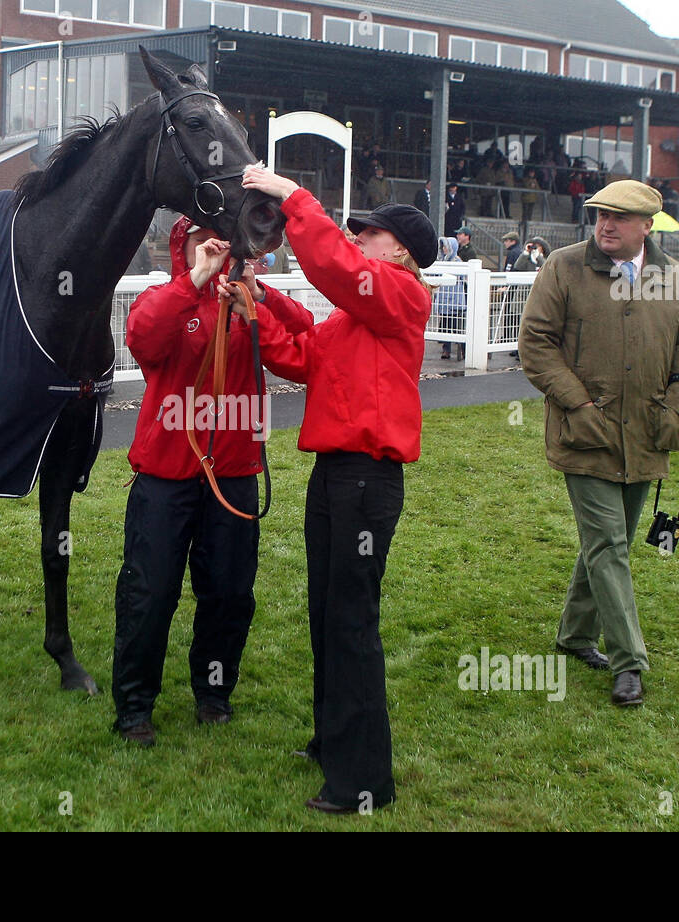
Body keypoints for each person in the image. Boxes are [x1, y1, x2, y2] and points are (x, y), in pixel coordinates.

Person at [239, 164, 436, 814]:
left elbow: (333, 267)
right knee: (328, 617)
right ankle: (333, 743)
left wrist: (290, 194)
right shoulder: (363, 315)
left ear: (400, 252)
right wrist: (261, 302)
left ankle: (362, 783)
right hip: (337, 477)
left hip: (364, 480)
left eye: (369, 235)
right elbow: (302, 351)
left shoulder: (401, 294)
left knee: (351, 623)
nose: (358, 242)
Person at [112, 216, 315, 747]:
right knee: (148, 593)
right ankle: (135, 706)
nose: (216, 246)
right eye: (204, 237)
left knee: (229, 592)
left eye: (223, 239)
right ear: (185, 245)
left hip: (234, 472)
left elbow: (305, 344)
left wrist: (260, 295)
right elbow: (142, 339)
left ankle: (214, 692)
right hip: (165, 475)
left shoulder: (251, 301)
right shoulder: (169, 297)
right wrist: (195, 279)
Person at [518, 179, 679, 708]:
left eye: (619, 218)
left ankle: (575, 637)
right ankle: (629, 662)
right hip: (585, 433)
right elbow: (536, 343)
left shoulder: (677, 280)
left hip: (648, 435)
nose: (605, 225)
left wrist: (677, 405)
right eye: (599, 215)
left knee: (608, 540)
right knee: (610, 544)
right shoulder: (564, 267)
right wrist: (578, 403)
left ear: (648, 226)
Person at [435, 236, 466, 361]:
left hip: (454, 299)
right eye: (443, 247)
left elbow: (462, 277)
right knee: (446, 326)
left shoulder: (457, 261)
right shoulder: (441, 261)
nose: (444, 249)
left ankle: (464, 350)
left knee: (457, 326)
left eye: (446, 247)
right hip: (444, 299)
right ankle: (446, 349)